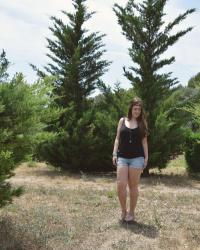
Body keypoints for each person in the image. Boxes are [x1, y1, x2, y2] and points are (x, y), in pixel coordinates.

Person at [112, 97, 148, 222]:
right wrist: (114, 154)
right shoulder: (122, 121)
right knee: (121, 185)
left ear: (141, 111)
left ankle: (131, 213)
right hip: (122, 157)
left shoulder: (142, 123)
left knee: (133, 186)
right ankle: (123, 210)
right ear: (131, 109)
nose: (137, 111)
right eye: (135, 108)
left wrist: (146, 157)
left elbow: (144, 142)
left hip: (137, 158)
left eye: (139, 109)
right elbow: (117, 138)